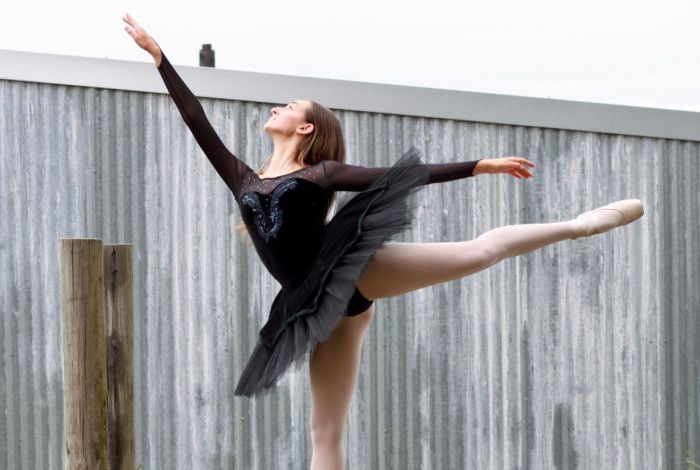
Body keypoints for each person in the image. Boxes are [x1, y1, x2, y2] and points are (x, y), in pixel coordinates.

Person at [123, 12, 644, 469]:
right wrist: (159, 57)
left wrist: (479, 165)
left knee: (476, 251)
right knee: (324, 431)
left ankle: (579, 224)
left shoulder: (320, 174)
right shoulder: (244, 180)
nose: (277, 109)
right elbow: (197, 120)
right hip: (310, 302)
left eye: (289, 106)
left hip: (348, 268)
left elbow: (398, 176)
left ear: (305, 129)